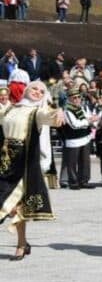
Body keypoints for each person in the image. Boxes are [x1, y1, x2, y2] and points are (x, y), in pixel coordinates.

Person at [0, 81, 66, 261]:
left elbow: (51, 116)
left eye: (42, 91)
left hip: (23, 164)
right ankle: (23, 243)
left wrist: (57, 109)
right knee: (12, 206)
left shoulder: (37, 112)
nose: (37, 92)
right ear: (26, 90)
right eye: (35, 88)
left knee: (14, 204)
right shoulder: (10, 109)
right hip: (5, 162)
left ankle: (21, 245)